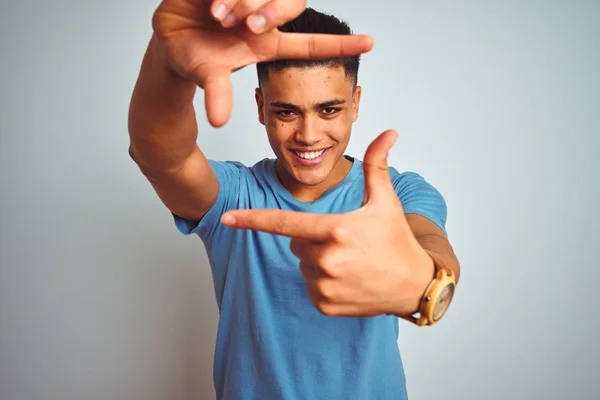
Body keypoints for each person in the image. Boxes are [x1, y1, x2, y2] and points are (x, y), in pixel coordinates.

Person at [128, 1, 461, 399]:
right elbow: (163, 157)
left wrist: (425, 285)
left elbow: (432, 246)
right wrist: (166, 63)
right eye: (287, 112)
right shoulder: (236, 195)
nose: (308, 134)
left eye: (329, 109)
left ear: (355, 104)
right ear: (260, 107)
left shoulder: (399, 193)